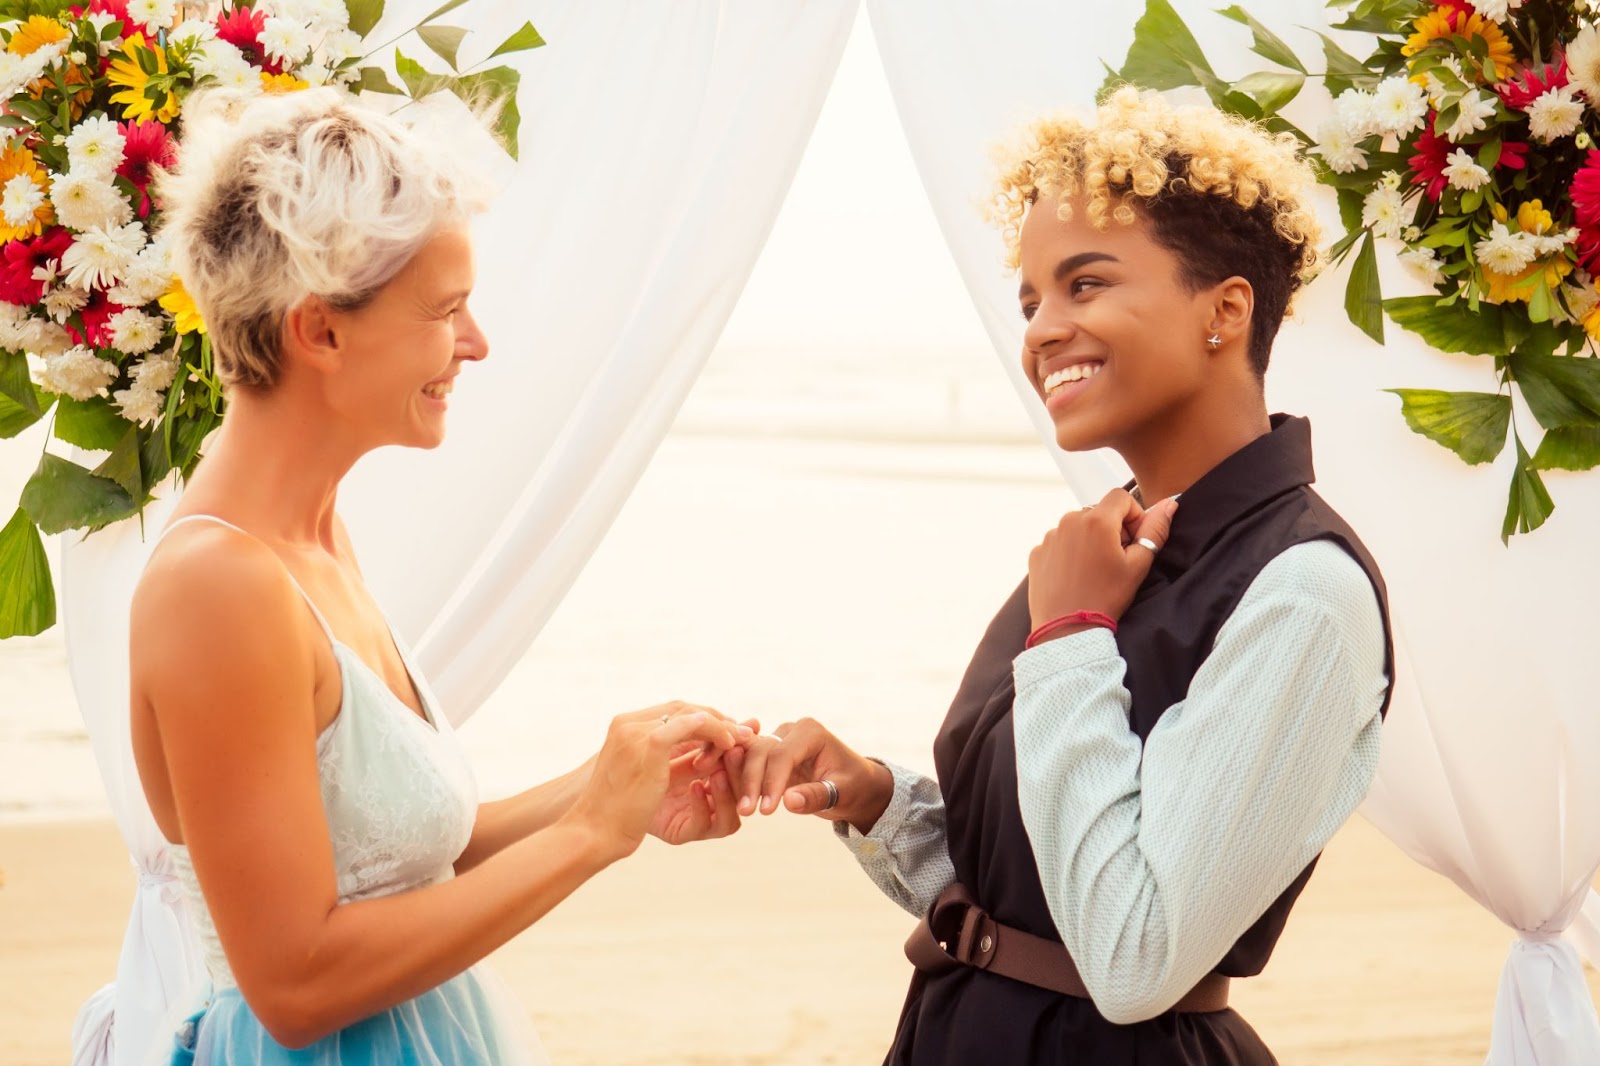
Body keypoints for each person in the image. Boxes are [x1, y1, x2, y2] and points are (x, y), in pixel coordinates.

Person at [726, 87, 1395, 1064]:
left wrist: (1072, 633)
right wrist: (873, 797)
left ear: (1225, 309)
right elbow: (1033, 892)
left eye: (1084, 285)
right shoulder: (1102, 544)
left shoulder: (1302, 592)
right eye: (1031, 299)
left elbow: (1129, 954)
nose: (1040, 328)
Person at [129, 88, 752, 1065]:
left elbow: (405, 866)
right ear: (320, 332)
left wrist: (618, 780)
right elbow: (296, 983)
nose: (476, 343)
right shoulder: (221, 586)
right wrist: (592, 831)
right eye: (447, 309)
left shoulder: (315, 539)